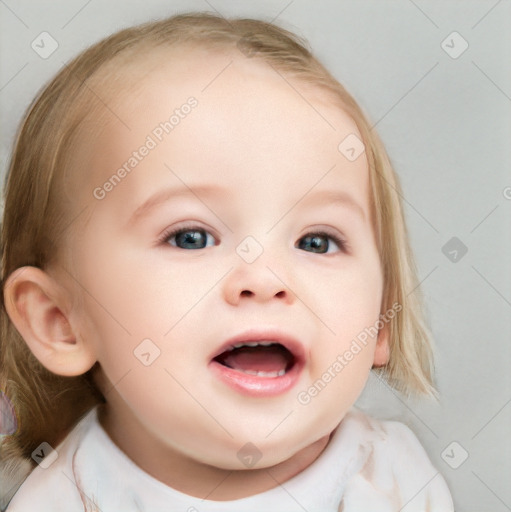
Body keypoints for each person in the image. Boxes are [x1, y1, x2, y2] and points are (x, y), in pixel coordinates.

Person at [0, 12, 453, 511]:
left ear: (381, 317)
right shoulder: (64, 500)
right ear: (60, 322)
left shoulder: (394, 481)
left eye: (317, 242)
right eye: (191, 237)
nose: (265, 279)